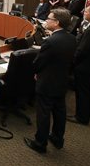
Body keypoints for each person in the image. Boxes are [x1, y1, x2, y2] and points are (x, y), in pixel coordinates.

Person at [24, 8, 76, 153]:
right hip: (62, 80)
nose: (46, 21)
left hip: (47, 82)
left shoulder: (51, 41)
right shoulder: (72, 38)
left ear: (57, 23)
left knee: (43, 113)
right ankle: (58, 139)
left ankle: (40, 143)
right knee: (60, 111)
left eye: (49, 19)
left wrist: (36, 72)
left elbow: (38, 63)